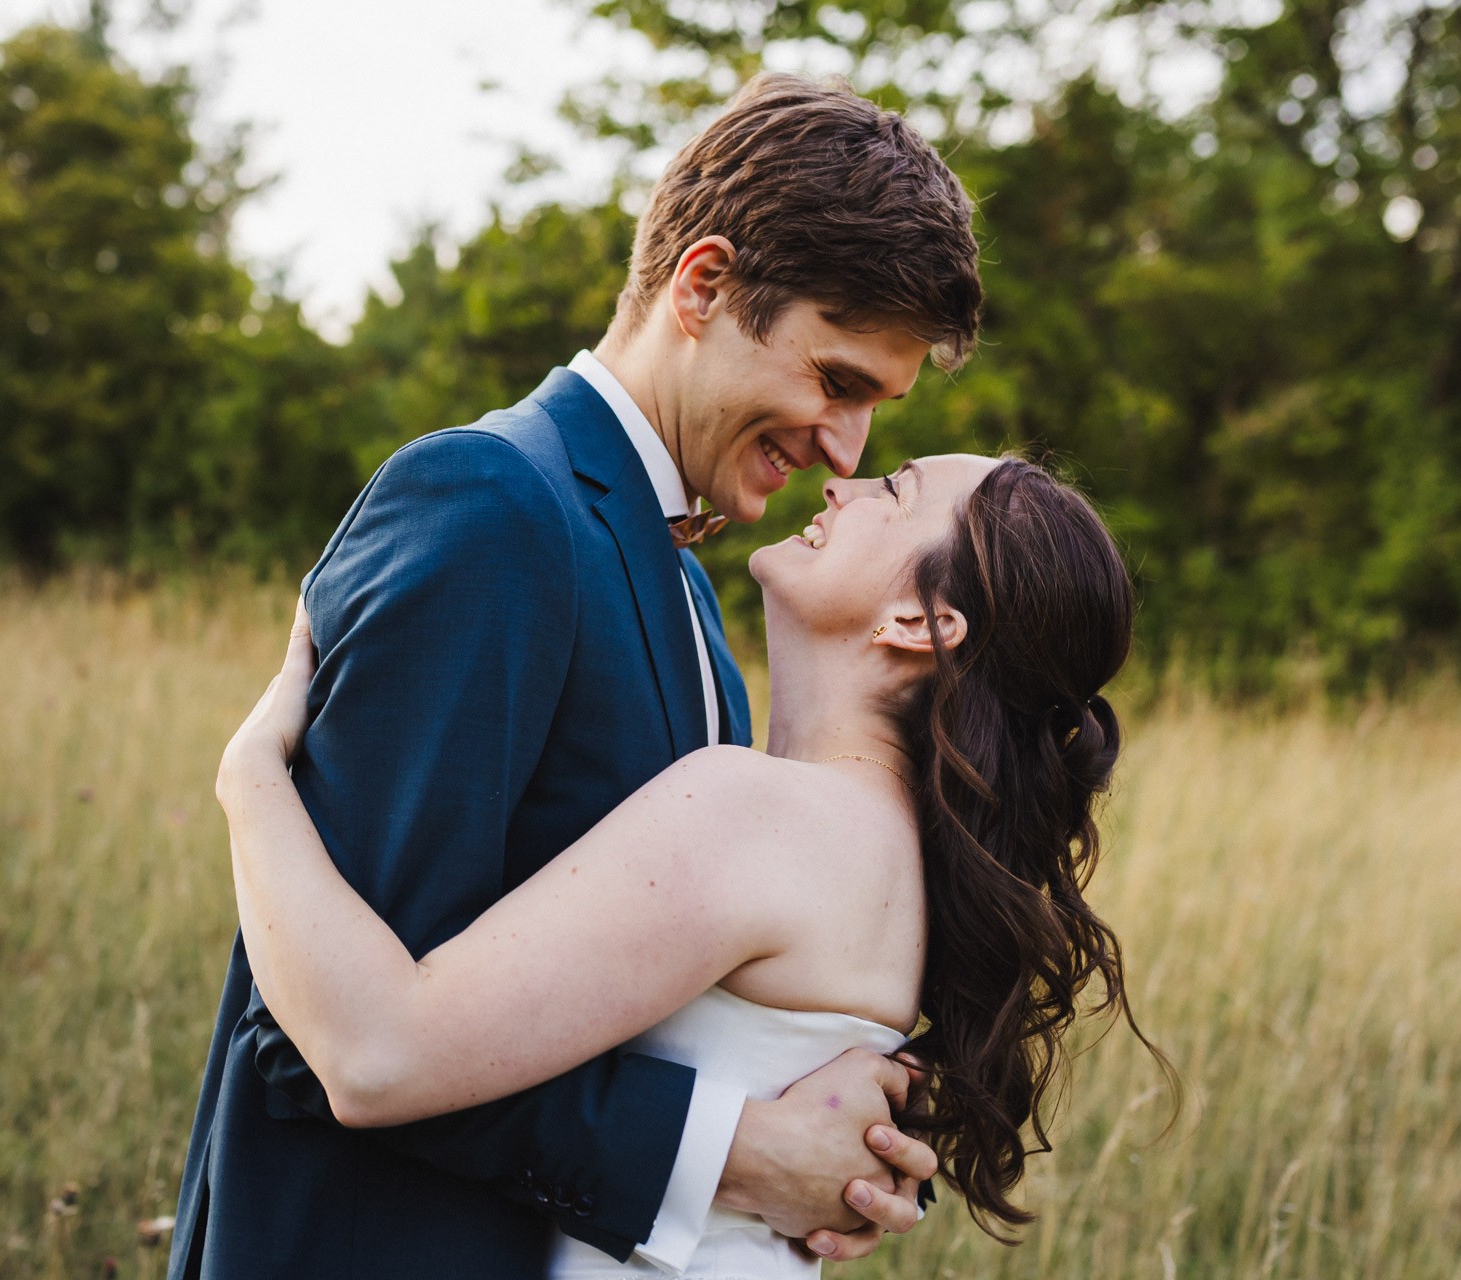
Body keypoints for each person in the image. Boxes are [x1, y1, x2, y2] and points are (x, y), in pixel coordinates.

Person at [168, 73, 983, 1278]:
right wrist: (725, 1153)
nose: (845, 448)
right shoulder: (493, 504)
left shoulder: (695, 597)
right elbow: (319, 1028)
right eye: (837, 379)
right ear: (704, 286)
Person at [218, 454, 1166, 1279]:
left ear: (924, 623)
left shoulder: (769, 813)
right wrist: (741, 1153)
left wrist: (250, 778)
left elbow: (378, 1057)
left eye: (896, 490)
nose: (847, 480)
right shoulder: (883, 848)